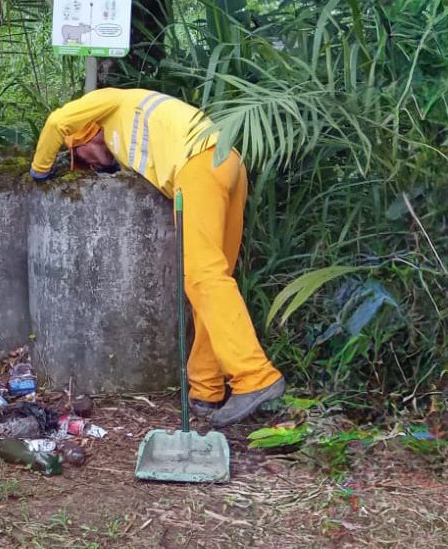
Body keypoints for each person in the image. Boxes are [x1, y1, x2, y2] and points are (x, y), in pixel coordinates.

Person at [29, 87, 284, 427]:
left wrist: (40, 170)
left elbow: (57, 120)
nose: (87, 164)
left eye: (81, 155)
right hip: (227, 161)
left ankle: (255, 378)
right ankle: (206, 388)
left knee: (203, 278)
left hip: (199, 166)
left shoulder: (112, 102)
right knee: (212, 285)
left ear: (87, 132)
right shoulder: (136, 126)